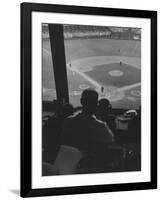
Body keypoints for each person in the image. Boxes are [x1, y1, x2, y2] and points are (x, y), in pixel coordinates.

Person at [61, 89, 114, 155]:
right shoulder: (101, 126)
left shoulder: (68, 121)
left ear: (81, 101)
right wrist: (99, 118)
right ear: (96, 104)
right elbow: (110, 140)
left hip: (70, 160)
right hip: (91, 162)